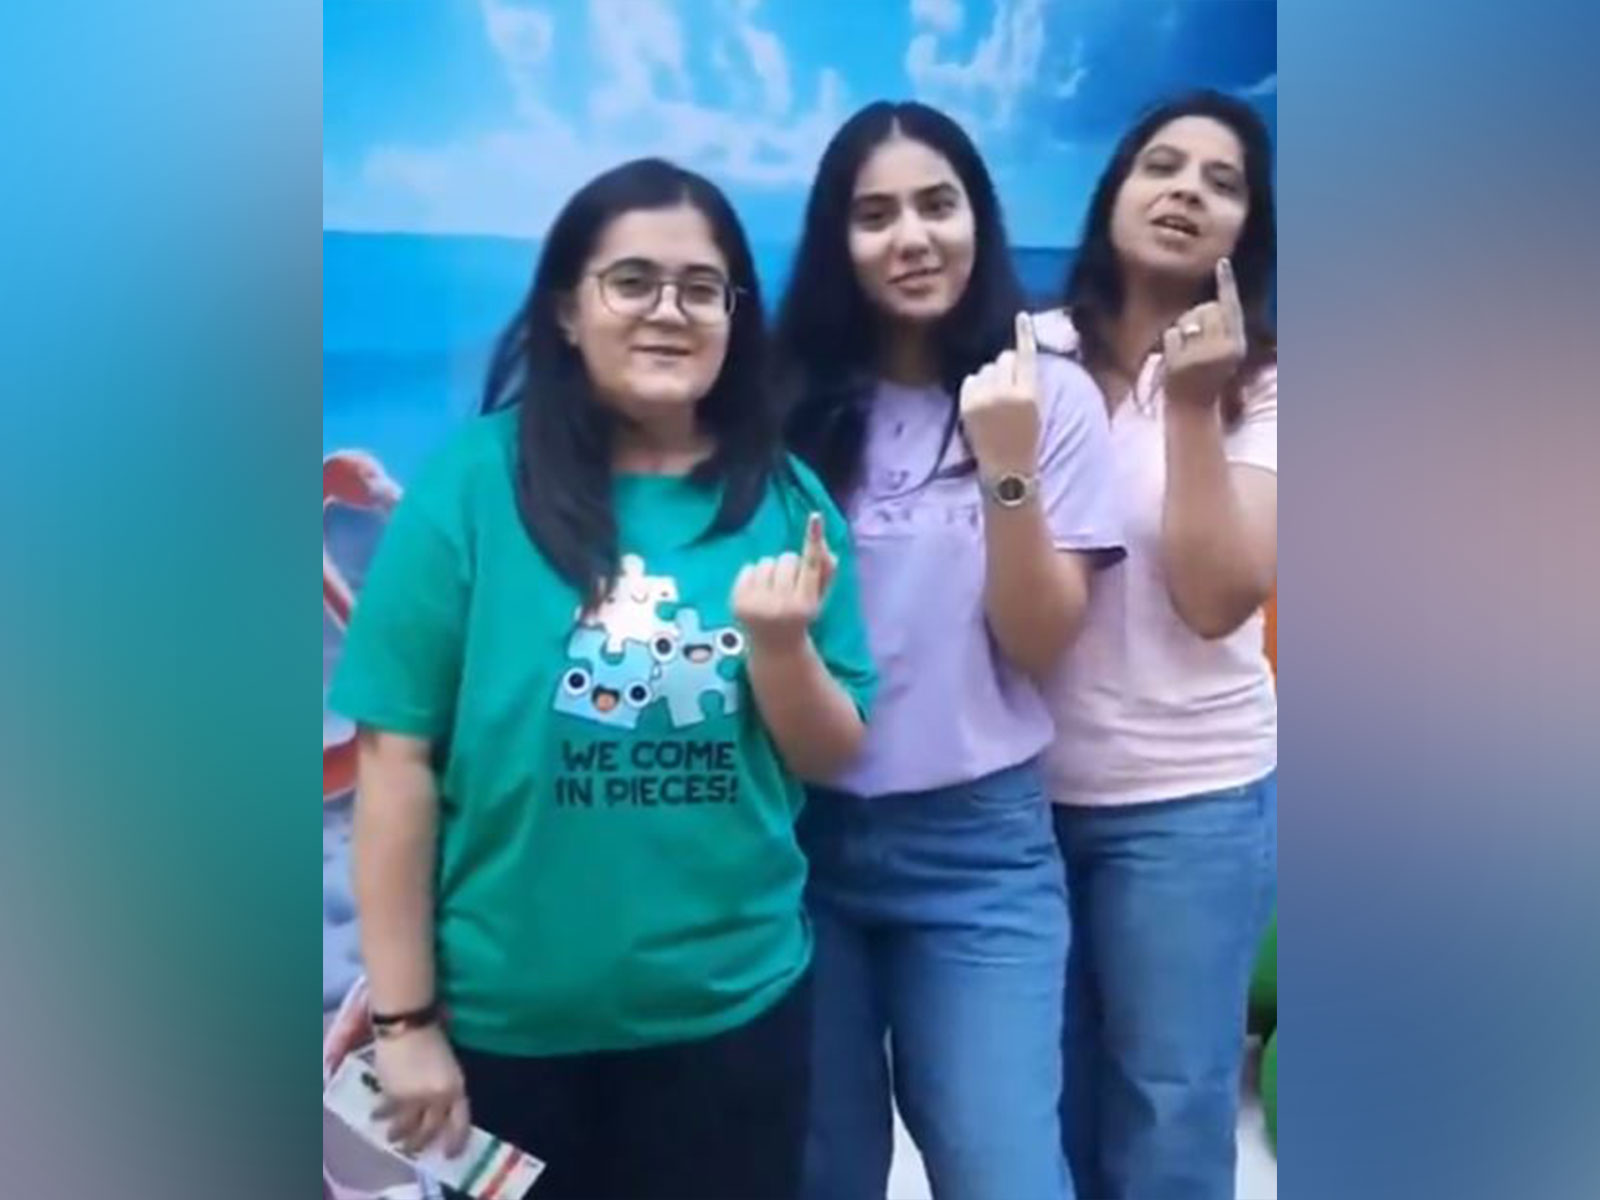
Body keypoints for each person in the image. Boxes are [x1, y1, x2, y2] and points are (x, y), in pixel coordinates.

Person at [328, 157, 877, 1200]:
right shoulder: (469, 486)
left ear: (734, 317)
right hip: (508, 1031)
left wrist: (779, 648)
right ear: (567, 310)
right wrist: (404, 1023)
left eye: (702, 288)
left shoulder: (785, 498)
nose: (669, 310)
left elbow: (829, 751)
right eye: (632, 281)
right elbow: (395, 764)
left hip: (733, 1017)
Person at [777, 101, 1123, 1200]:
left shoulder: (1047, 395)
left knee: (1000, 1168)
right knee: (821, 1171)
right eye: (874, 214)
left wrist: (1005, 465)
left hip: (979, 849)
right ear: (836, 240)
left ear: (980, 218)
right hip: (793, 843)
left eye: (937, 204)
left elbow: (1040, 639)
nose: (912, 237)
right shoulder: (781, 402)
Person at [1031, 89, 1279, 1200]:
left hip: (1191, 802)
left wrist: (1189, 407)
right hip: (1016, 804)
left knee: (1169, 1106)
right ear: (1114, 191)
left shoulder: (1268, 384)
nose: (1185, 191)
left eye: (1221, 183)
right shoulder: (1027, 351)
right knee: (1043, 1103)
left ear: (1247, 229)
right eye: (1161, 166)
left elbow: (1218, 597)